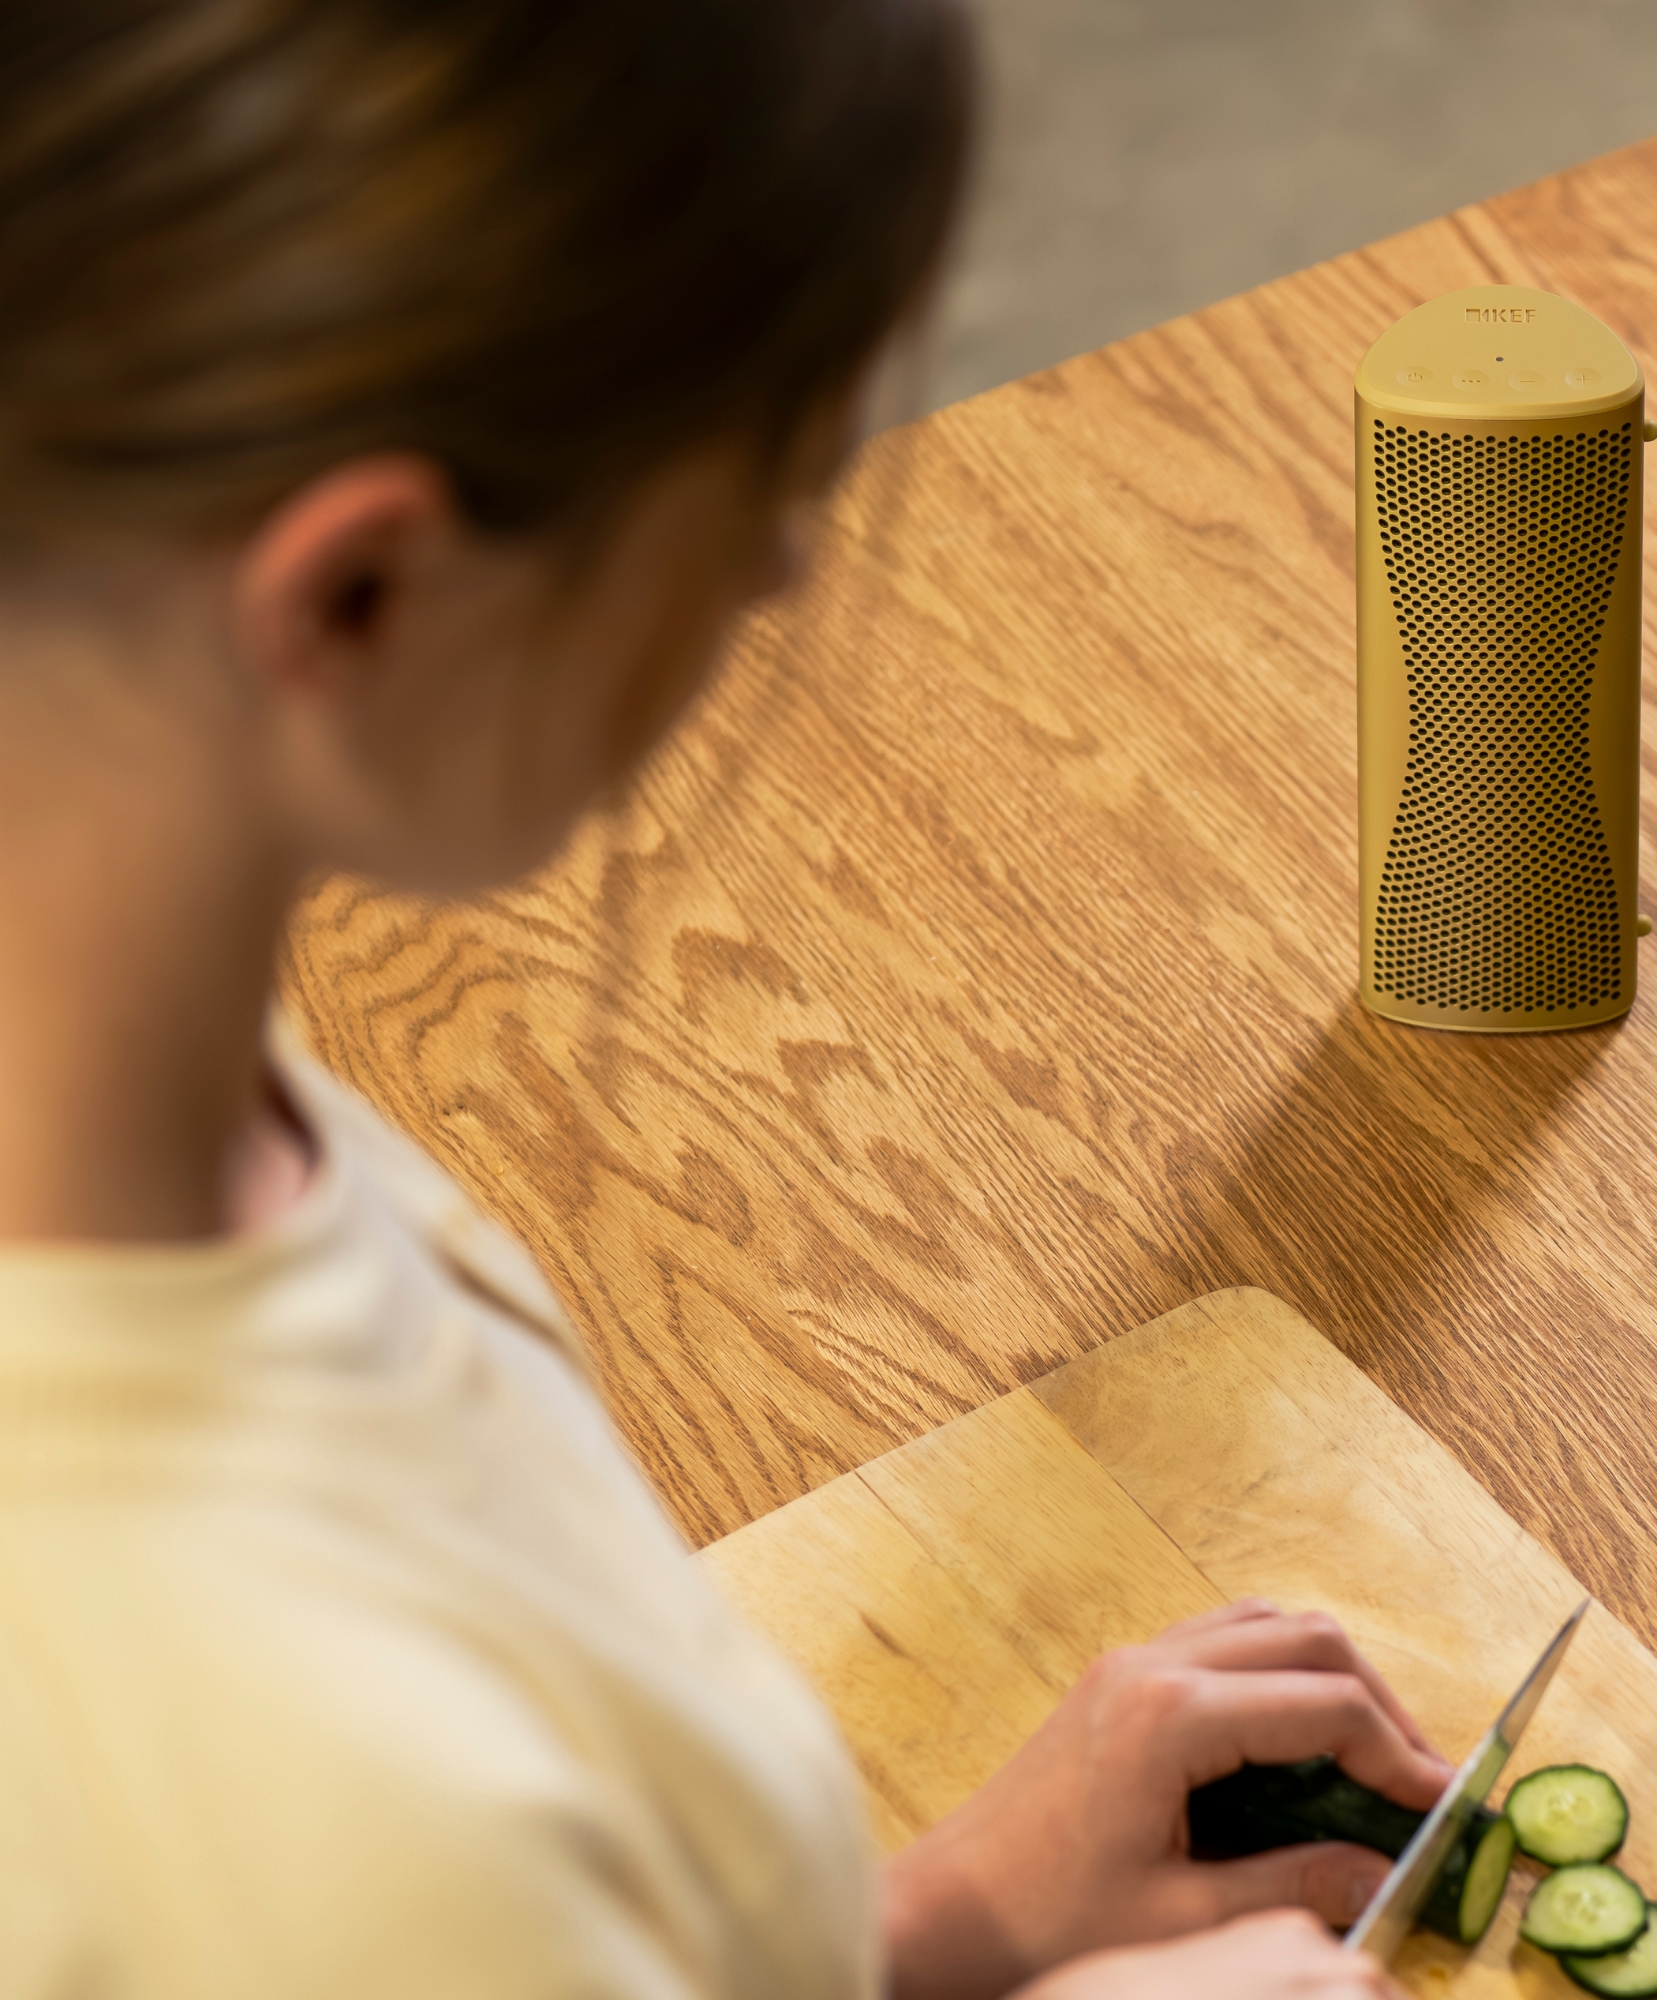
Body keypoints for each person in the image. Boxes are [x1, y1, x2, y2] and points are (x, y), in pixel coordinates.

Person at [0, 3, 1438, 1994]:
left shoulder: (126, 1054)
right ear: (360, 594)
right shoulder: (274, 1789)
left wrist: (912, 1934)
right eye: (768, 474)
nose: (776, 571)